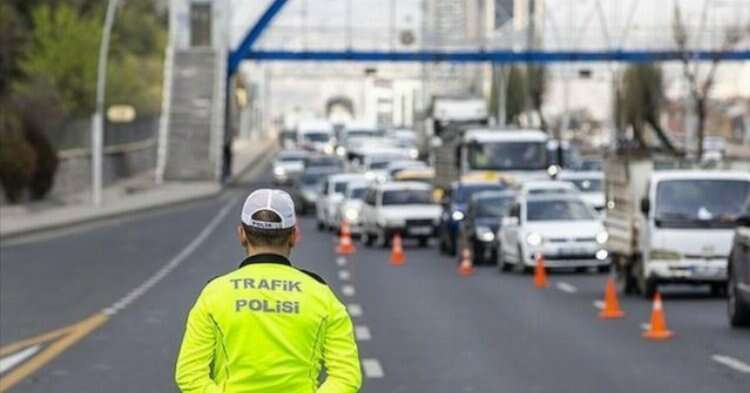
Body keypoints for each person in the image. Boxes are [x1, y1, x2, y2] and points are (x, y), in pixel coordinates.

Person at [175, 189, 362, 392]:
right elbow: (346, 376)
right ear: (293, 236)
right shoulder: (321, 295)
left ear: (242, 235)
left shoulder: (215, 294)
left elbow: (189, 375)